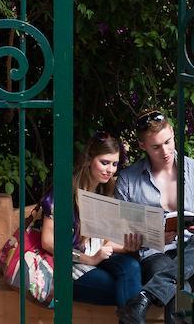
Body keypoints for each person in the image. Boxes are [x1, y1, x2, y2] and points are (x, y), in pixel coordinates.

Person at [114, 110, 194, 324]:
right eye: (156, 147)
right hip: (156, 256)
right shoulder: (128, 180)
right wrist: (150, 236)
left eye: (168, 142)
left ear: (173, 134)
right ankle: (161, 288)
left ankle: (144, 297)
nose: (165, 151)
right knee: (180, 291)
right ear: (142, 146)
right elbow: (121, 233)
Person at [39, 132, 144, 311]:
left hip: (99, 257)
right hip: (70, 264)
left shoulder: (108, 191)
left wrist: (127, 247)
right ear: (89, 159)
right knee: (128, 291)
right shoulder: (65, 192)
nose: (110, 170)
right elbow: (48, 241)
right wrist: (88, 259)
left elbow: (102, 241)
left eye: (115, 164)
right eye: (104, 162)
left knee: (131, 268)